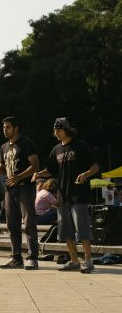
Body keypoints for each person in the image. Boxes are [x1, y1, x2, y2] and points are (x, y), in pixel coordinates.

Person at [32, 117, 99, 274]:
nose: (55, 132)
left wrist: (85, 174)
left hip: (79, 195)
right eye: (54, 129)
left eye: (58, 129)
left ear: (66, 129)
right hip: (62, 195)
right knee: (66, 231)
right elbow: (51, 169)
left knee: (82, 229)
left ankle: (88, 261)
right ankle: (74, 260)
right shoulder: (56, 149)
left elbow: (95, 166)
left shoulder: (80, 146)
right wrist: (39, 173)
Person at [0, 116, 39, 270]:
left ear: (16, 128)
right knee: (12, 225)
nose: (4, 130)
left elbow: (35, 166)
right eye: (3, 127)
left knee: (29, 223)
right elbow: (2, 169)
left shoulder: (26, 143)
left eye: (8, 127)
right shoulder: (4, 147)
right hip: (9, 190)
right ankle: (16, 258)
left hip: (25, 187)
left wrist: (19, 176)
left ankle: (32, 257)